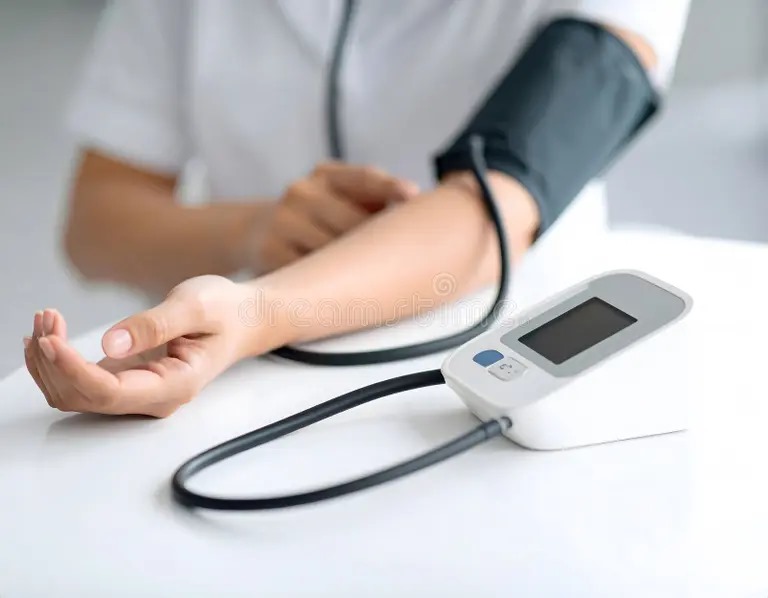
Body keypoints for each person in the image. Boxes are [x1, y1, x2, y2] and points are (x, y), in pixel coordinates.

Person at [25, 0, 690, 417]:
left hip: (516, 378)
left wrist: (255, 312)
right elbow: (95, 221)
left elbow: (494, 201)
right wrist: (253, 230)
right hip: (239, 383)